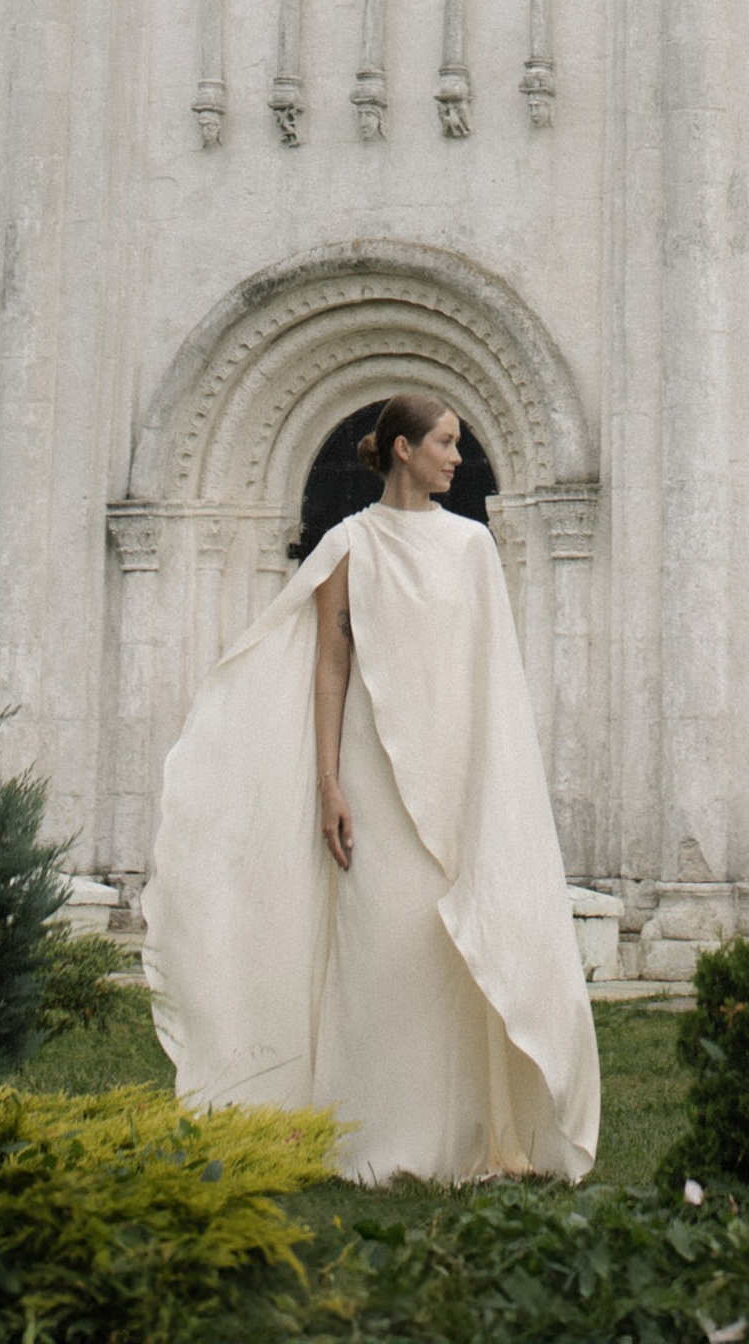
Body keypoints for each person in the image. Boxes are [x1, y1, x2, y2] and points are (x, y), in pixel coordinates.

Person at [142, 390, 600, 1182]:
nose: (458, 457)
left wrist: (490, 783)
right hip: (370, 774)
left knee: (444, 941)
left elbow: (494, 674)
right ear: (402, 449)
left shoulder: (471, 548)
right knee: (378, 940)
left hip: (455, 768)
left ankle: (462, 1139)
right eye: (447, 442)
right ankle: (367, 1138)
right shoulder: (348, 544)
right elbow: (330, 664)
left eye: (458, 444)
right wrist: (328, 783)